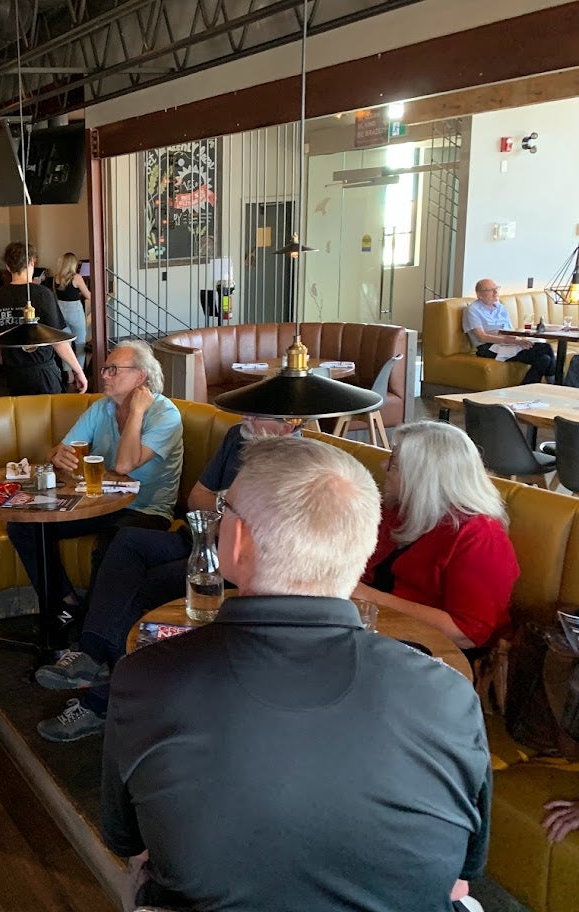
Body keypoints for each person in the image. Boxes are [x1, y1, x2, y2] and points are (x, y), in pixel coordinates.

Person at [101, 436, 491, 911]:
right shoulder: (450, 694)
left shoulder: (145, 678)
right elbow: (463, 870)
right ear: (362, 547)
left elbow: (127, 838)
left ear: (238, 540)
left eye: (225, 510)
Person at [34, 417, 295, 742]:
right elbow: (197, 497)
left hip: (228, 562)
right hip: (197, 536)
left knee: (142, 588)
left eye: (257, 413)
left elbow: (268, 533)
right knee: (127, 540)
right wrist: (229, 506)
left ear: (288, 423)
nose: (246, 419)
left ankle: (99, 702)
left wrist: (227, 507)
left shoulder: (297, 460)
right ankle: (91, 654)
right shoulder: (236, 436)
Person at [7, 340, 183, 632]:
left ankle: (92, 627)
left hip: (146, 509)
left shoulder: (165, 415)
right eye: (105, 369)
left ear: (140, 377)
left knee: (114, 543)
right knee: (24, 526)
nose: (104, 375)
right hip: (99, 502)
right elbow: (58, 451)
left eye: (114, 370)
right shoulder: (102, 408)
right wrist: (58, 455)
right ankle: (66, 603)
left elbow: (125, 466)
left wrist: (137, 412)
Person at [353, 421, 519, 655]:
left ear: (422, 477)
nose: (383, 466)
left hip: (439, 654)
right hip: (380, 633)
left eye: (393, 463)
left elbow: (467, 633)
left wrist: (370, 597)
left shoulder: (481, 536)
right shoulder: (400, 509)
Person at [0, 241, 87, 395]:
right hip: (43, 373)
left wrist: (8, 364)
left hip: (14, 375)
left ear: (7, 266)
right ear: (32, 261)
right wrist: (78, 371)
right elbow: (58, 342)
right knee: (48, 417)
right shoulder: (43, 294)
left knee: (21, 416)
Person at [463, 279, 555, 384]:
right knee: (545, 348)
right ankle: (555, 384)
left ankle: (525, 388)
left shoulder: (500, 307)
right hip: (488, 347)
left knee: (545, 359)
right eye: (491, 290)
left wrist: (520, 340)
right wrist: (512, 341)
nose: (496, 292)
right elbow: (481, 336)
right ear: (479, 295)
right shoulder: (473, 309)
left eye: (496, 289)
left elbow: (510, 329)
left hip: (509, 343)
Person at [50, 252, 91, 369]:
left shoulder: (56, 278)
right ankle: (79, 372)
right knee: (80, 343)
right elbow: (88, 296)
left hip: (61, 312)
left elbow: (62, 294)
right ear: (73, 264)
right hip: (75, 312)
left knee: (65, 344)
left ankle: (69, 375)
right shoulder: (76, 277)